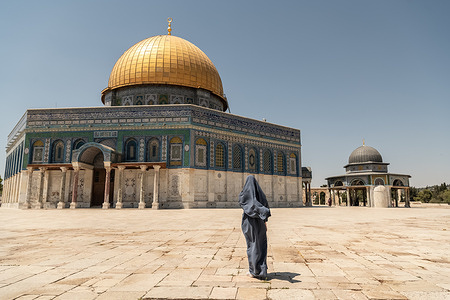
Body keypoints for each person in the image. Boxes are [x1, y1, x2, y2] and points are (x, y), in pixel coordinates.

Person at [239, 175, 271, 279]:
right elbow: (264, 206)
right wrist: (264, 220)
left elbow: (246, 204)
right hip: (260, 223)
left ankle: (253, 271)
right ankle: (261, 270)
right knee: (260, 246)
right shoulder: (261, 196)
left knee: (252, 246)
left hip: (249, 223)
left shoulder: (245, 194)